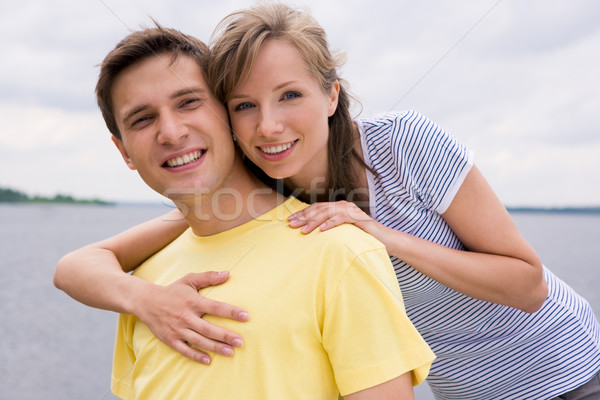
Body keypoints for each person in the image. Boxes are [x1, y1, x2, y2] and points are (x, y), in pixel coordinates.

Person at [54, 3, 600, 400]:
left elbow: (528, 285)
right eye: (245, 105)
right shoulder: (261, 185)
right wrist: (145, 299)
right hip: (463, 387)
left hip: (566, 369)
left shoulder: (402, 145)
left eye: (290, 95)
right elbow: (78, 265)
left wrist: (380, 234)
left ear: (331, 94)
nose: (269, 125)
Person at [55, 24, 436, 400]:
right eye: (142, 119)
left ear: (230, 116)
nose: (170, 132)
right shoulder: (147, 285)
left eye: (188, 102)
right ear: (124, 153)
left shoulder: (340, 252)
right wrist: (143, 297)